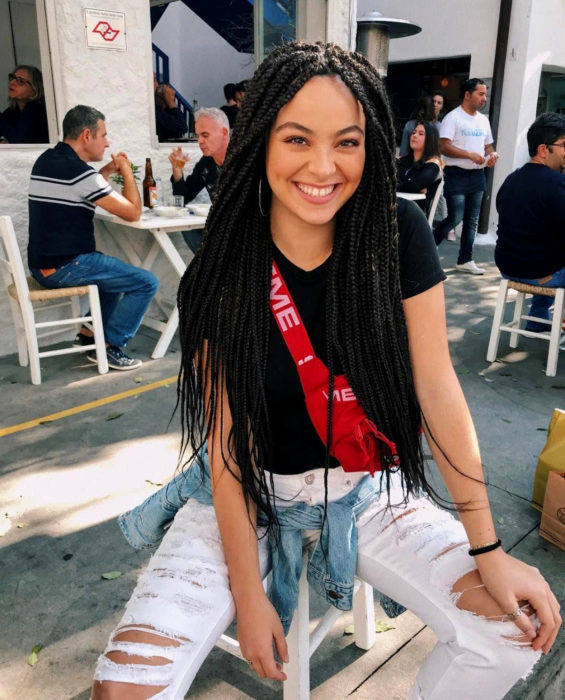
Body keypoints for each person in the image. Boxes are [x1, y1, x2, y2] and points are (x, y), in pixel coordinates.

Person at [92, 43, 559, 699]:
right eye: (296, 139)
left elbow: (435, 388)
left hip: (364, 488)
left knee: (514, 632)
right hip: (241, 491)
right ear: (260, 143)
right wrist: (249, 599)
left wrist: (488, 551)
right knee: (123, 690)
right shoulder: (220, 266)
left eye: (346, 141)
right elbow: (225, 446)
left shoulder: (396, 233)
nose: (321, 166)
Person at [28, 105, 158, 370]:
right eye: (104, 135)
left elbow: (86, 186)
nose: (107, 142)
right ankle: (111, 346)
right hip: (64, 267)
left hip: (42, 264)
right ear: (87, 136)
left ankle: (88, 334)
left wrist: (108, 172)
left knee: (108, 272)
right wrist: (126, 168)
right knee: (146, 282)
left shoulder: (47, 159)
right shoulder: (80, 173)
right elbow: (133, 212)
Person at [495, 112, 565, 331]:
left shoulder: (511, 178)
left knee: (548, 249)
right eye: (564, 145)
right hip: (540, 274)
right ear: (543, 150)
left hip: (508, 267)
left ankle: (537, 318)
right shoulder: (557, 183)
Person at [432, 78, 498, 274]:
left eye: (485, 94)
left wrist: (492, 155)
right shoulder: (453, 118)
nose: (484, 98)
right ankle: (429, 247)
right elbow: (444, 146)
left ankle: (465, 259)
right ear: (467, 95)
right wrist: (469, 155)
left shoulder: (483, 120)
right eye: (480, 93)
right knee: (456, 216)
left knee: (472, 220)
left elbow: (488, 146)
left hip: (478, 175)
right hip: (456, 173)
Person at [170, 107, 230, 252]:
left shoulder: (245, 158)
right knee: (188, 228)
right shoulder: (206, 163)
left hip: (248, 231)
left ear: (224, 133)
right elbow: (183, 198)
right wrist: (177, 171)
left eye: (205, 135)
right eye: (198, 136)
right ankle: (211, 271)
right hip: (222, 228)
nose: (200, 141)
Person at [396, 120, 443, 216]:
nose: (414, 136)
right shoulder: (402, 160)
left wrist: (406, 184)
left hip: (414, 217)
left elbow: (414, 185)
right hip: (396, 209)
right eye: (413, 132)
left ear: (430, 139)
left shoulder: (433, 165)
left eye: (421, 134)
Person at [0, 65, 48, 144]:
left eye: (20, 81)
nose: (12, 83)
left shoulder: (36, 108)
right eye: (12, 78)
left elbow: (18, 140)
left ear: (34, 88)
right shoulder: (12, 111)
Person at [154, 75, 186, 141]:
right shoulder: (154, 112)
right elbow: (181, 128)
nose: (157, 85)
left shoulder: (158, 112)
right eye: (154, 80)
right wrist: (170, 101)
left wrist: (165, 103)